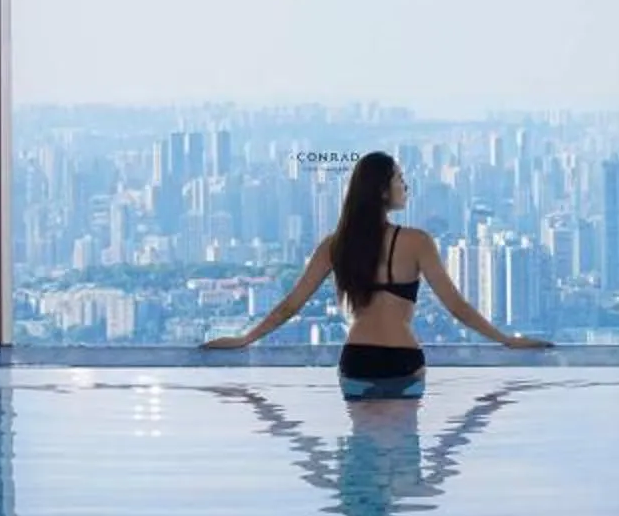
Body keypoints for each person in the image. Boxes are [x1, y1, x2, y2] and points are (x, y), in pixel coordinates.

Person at [201, 151, 550, 397]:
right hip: (403, 360)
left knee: (361, 455)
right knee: (402, 456)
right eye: (401, 179)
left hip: (358, 360)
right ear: (383, 191)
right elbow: (456, 307)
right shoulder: (417, 242)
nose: (406, 187)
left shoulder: (335, 245)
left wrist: (245, 339)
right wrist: (506, 340)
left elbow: (290, 306)